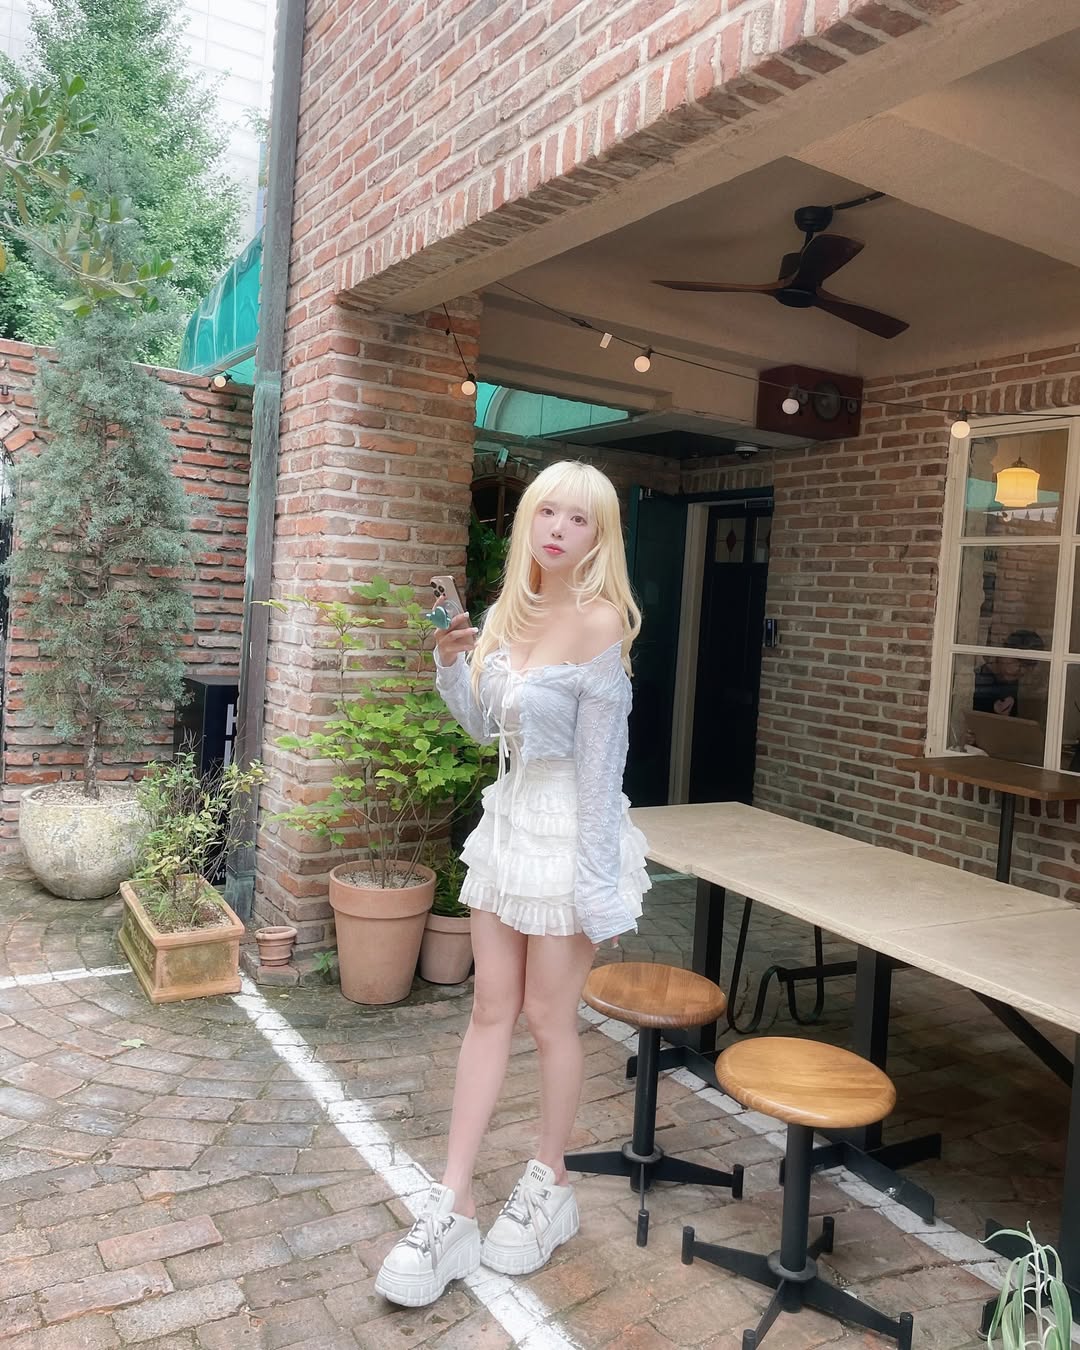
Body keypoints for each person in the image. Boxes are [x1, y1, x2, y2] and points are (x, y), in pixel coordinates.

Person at [374, 460, 651, 1308]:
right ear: (530, 519)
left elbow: (604, 771)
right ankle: (452, 1200)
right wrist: (450, 661)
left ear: (600, 536)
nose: (559, 529)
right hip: (509, 829)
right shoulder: (506, 613)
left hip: (571, 837)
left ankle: (549, 1180)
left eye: (580, 518)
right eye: (549, 512)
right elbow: (480, 726)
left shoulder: (602, 623)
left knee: (546, 1015)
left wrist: (599, 889)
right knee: (490, 1008)